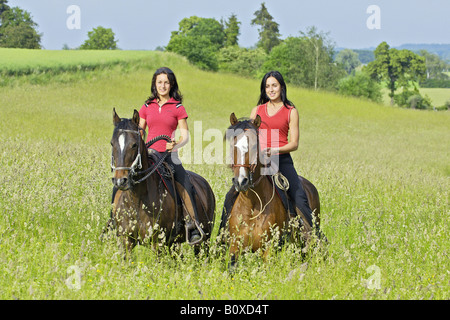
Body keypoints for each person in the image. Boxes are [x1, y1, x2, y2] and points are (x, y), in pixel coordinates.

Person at [221, 70, 320, 236]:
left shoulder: (290, 111)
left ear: (281, 87)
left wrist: (274, 150)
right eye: (267, 86)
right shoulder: (257, 110)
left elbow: (294, 143)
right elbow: (248, 136)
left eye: (274, 85)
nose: (271, 89)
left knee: (298, 195)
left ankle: (311, 235)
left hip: (281, 159)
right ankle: (222, 236)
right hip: (258, 161)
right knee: (231, 195)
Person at [138, 67, 202, 244]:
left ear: (171, 84)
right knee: (126, 179)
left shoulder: (177, 107)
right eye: (159, 82)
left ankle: (193, 225)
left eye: (166, 82)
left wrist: (175, 143)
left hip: (169, 154)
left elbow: (185, 135)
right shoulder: (146, 106)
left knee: (185, 182)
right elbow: (140, 131)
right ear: (155, 84)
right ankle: (113, 220)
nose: (163, 85)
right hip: (149, 153)